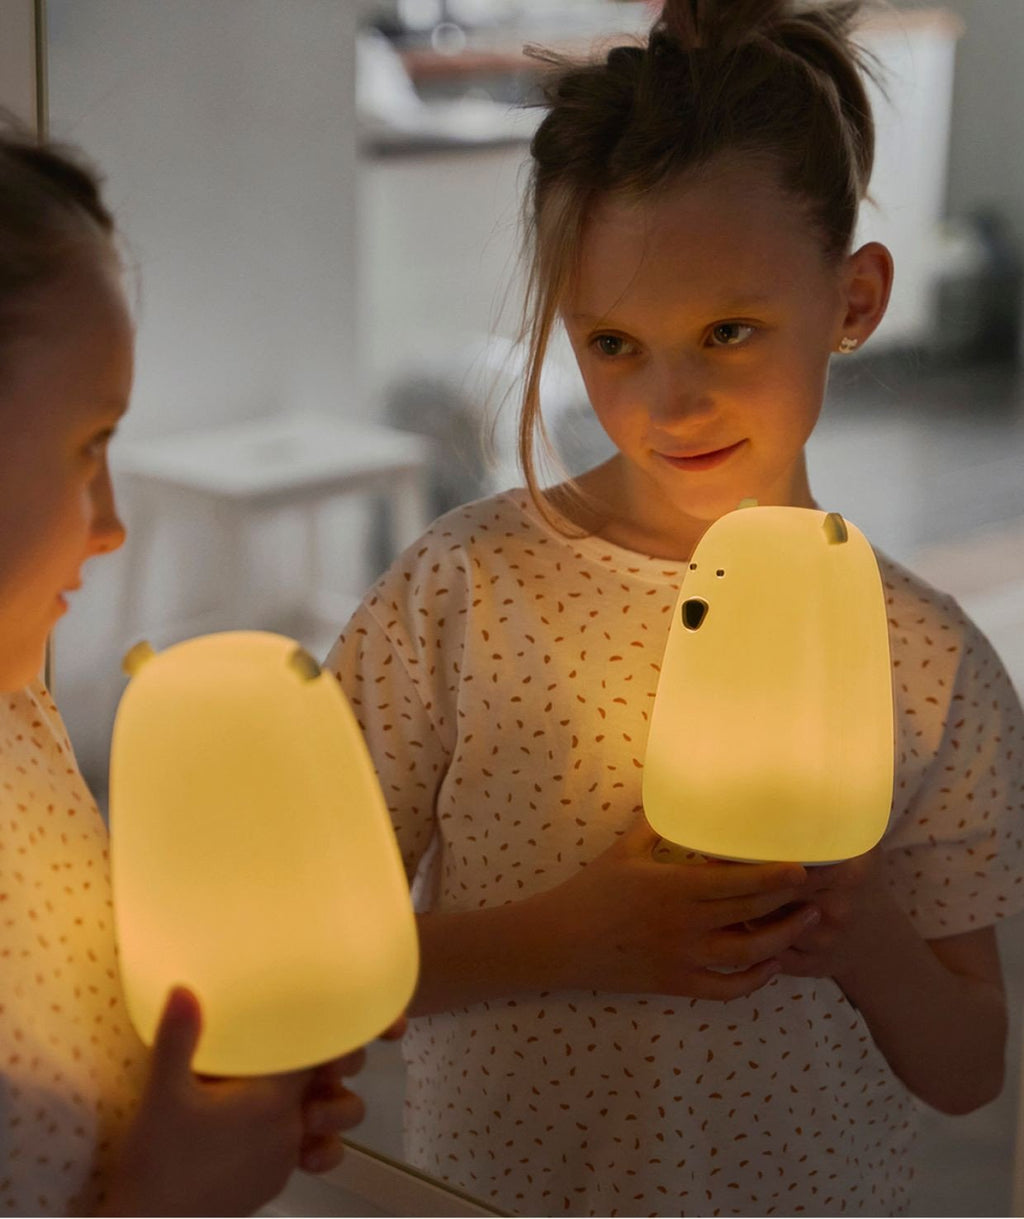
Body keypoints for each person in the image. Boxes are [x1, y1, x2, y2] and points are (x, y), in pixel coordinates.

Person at [326, 1, 1024, 1215]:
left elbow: (968, 1068)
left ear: (854, 300)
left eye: (727, 332)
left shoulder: (926, 662)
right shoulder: (464, 593)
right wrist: (570, 934)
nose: (671, 402)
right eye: (612, 341)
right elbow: (307, 966)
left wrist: (860, 937)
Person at [0, 126, 401, 1215]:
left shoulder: (18, 705)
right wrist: (160, 1200)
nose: (115, 523)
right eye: (90, 446)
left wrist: (196, 1093)